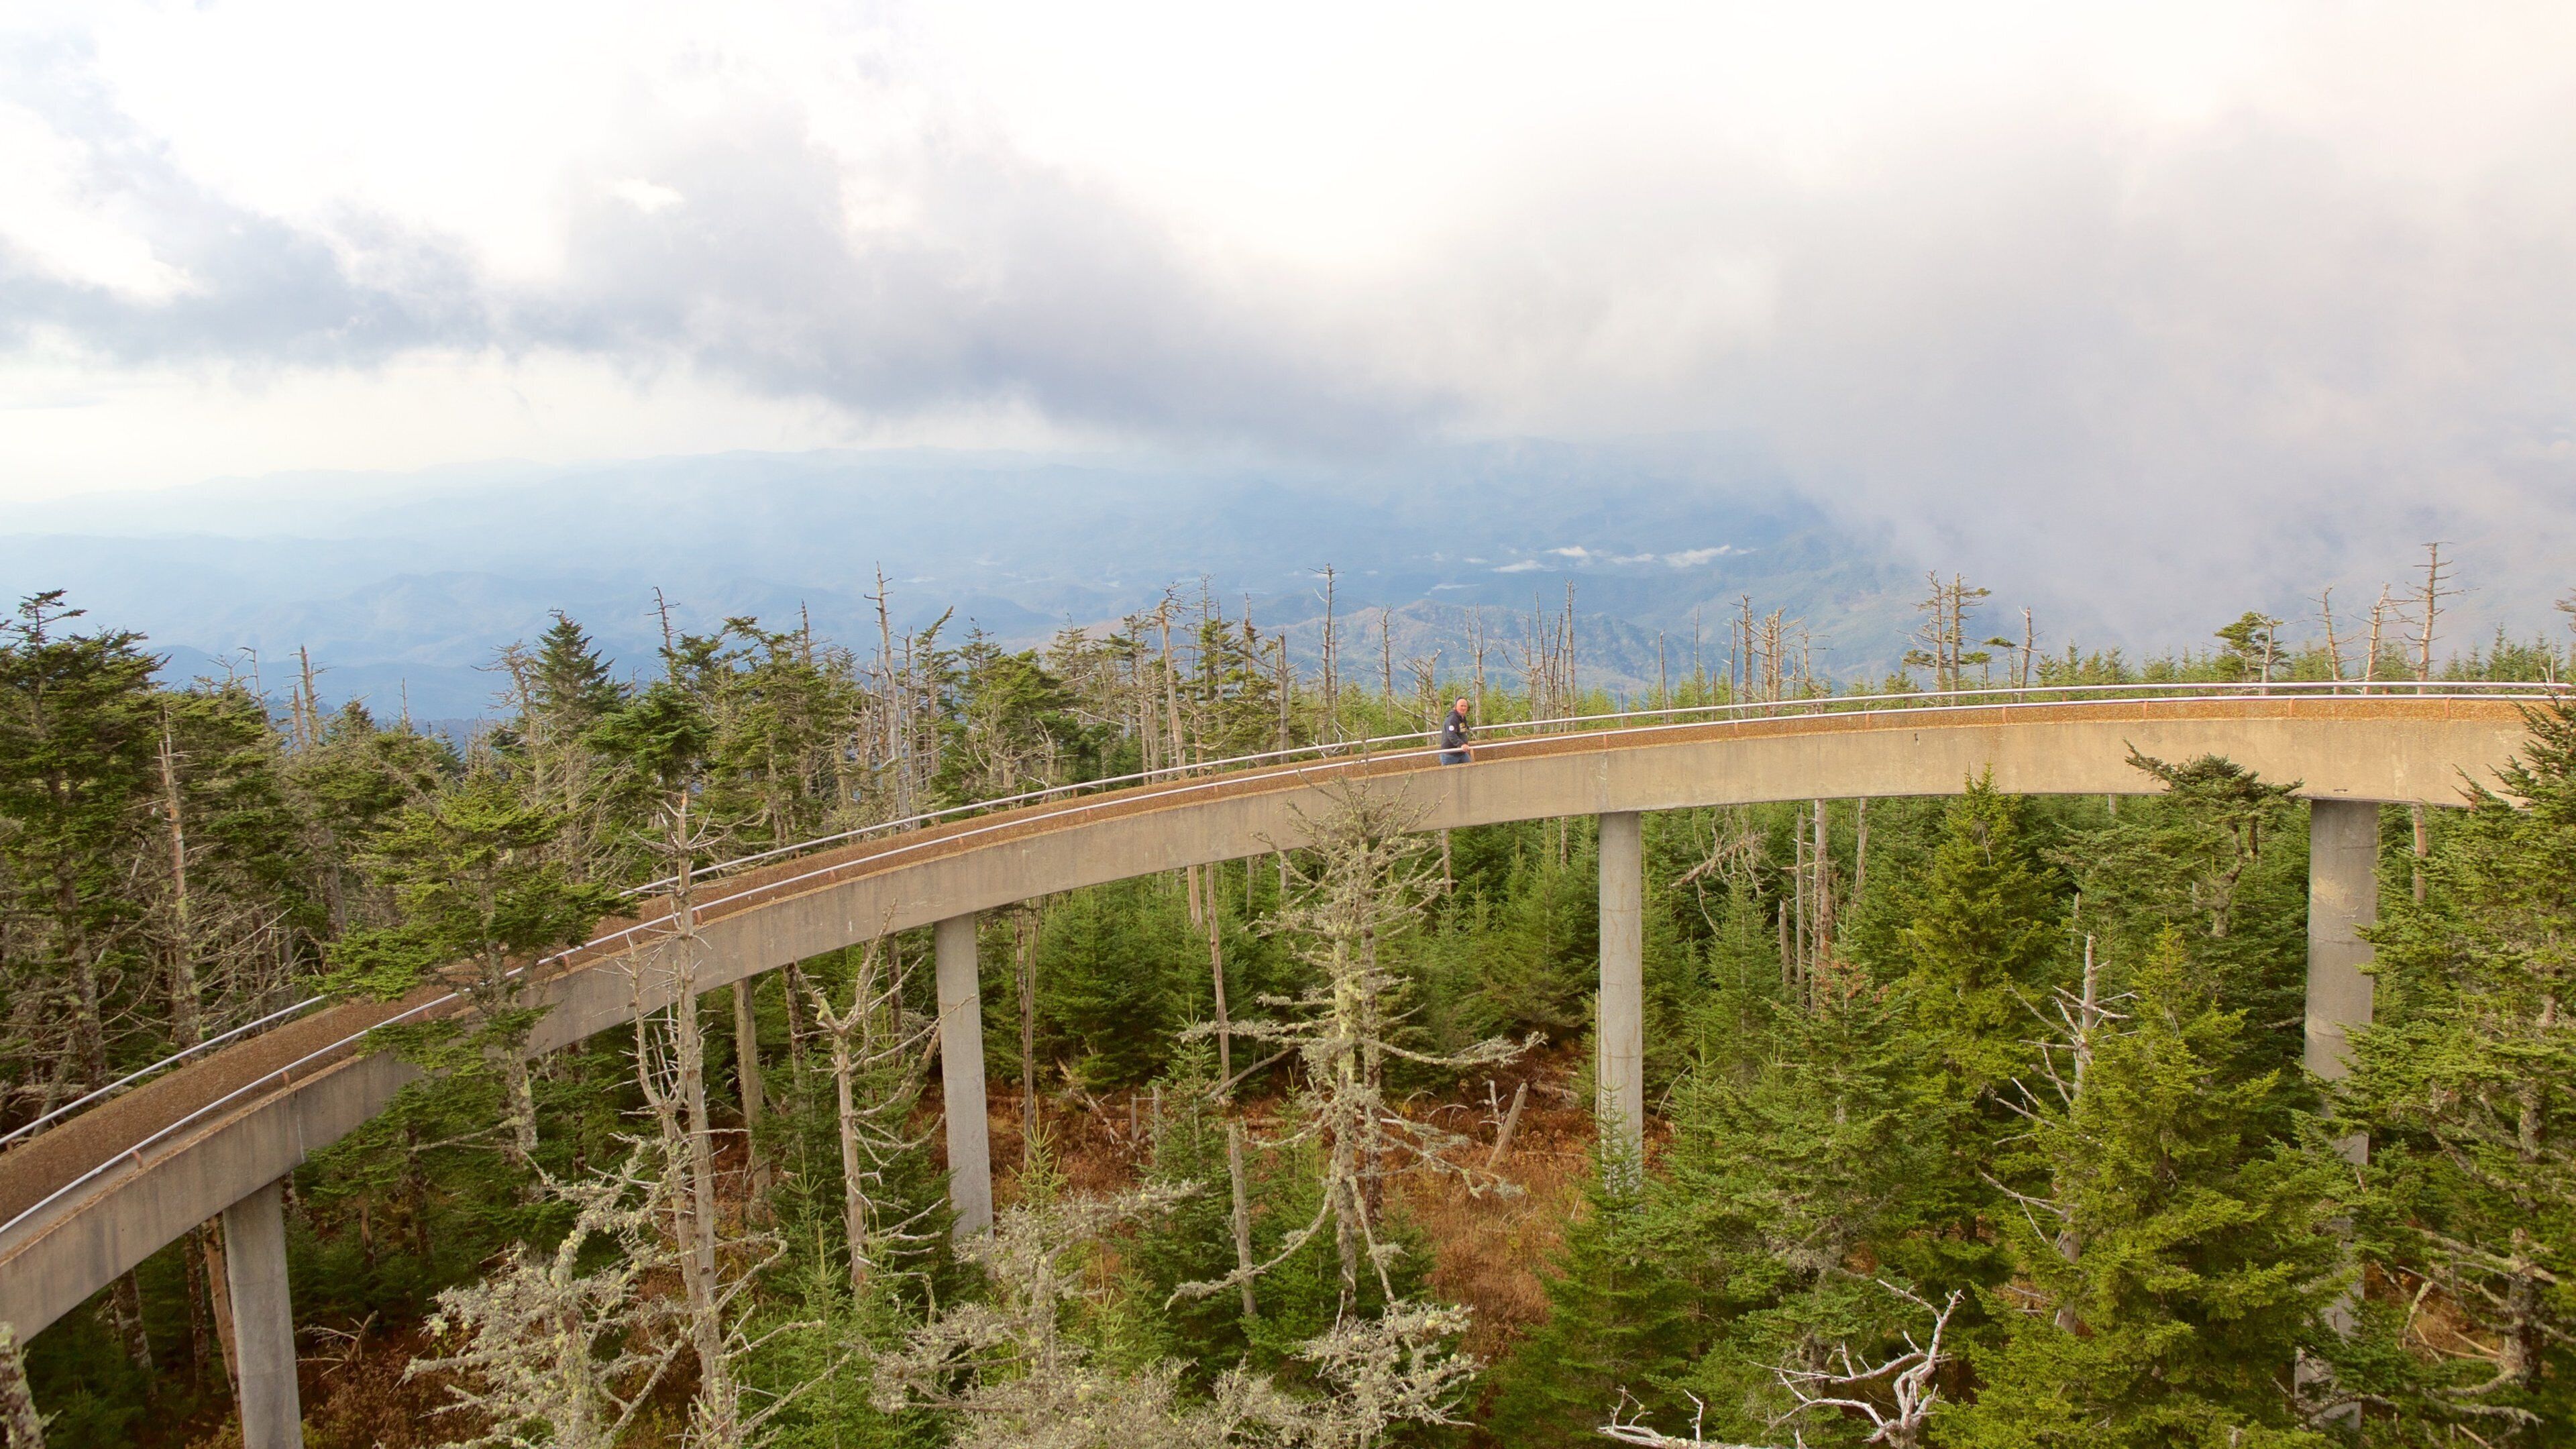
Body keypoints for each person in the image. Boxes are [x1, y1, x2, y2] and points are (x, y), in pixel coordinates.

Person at [1438, 696, 1473, 763]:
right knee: (1450, 774)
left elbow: (1461, 726)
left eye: (1465, 706)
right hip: (1450, 754)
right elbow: (1451, 734)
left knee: (1469, 771)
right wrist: (1462, 744)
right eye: (1461, 706)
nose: (1464, 708)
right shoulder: (1452, 719)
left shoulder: (1462, 717)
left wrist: (1468, 727)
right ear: (1456, 707)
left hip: (1461, 752)